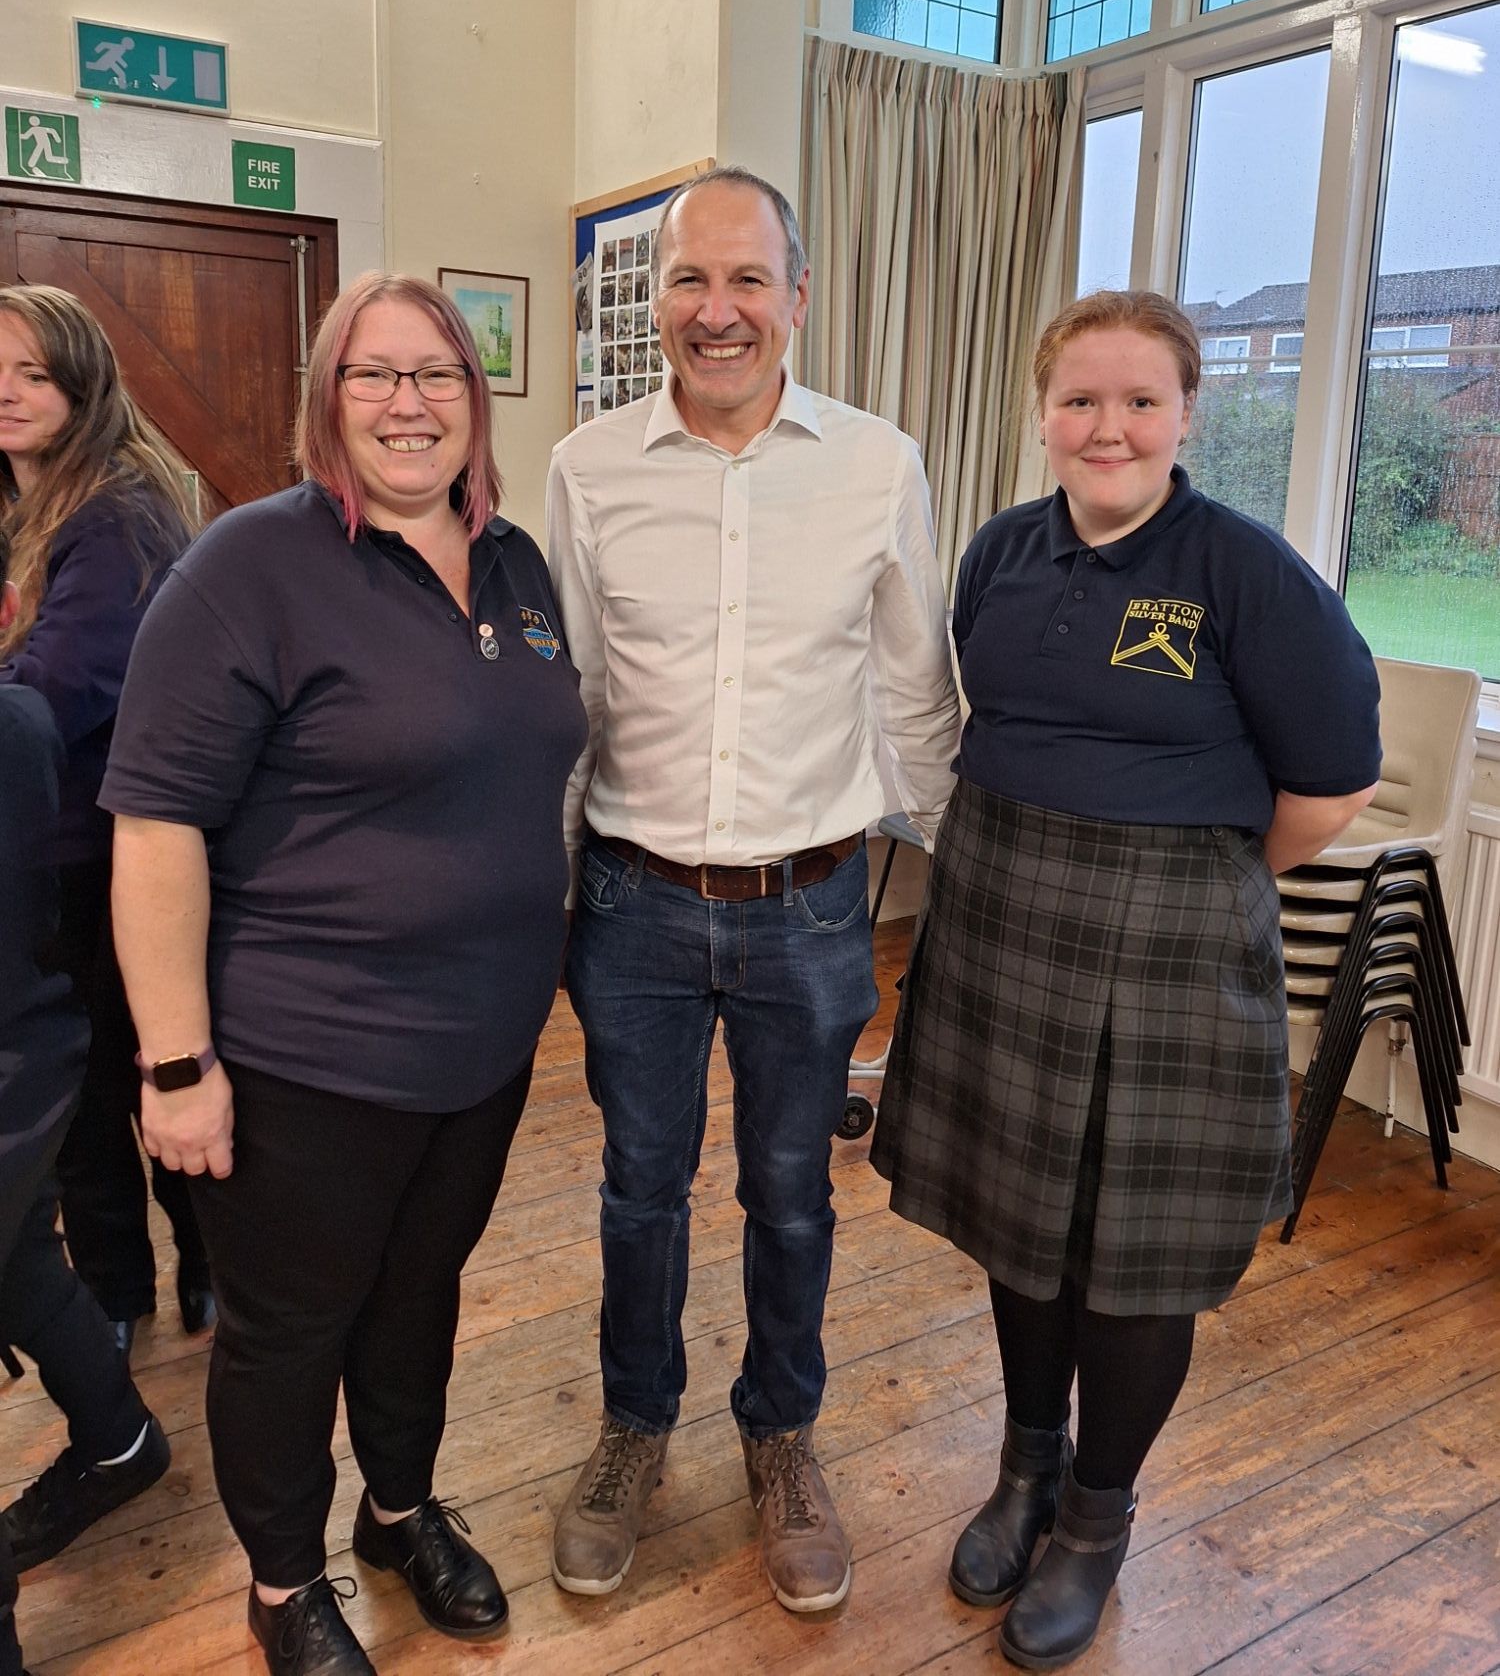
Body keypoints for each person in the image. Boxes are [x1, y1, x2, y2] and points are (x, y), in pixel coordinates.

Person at [871, 289, 1382, 1670]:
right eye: (1082, 400)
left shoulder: (1247, 571)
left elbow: (1332, 785)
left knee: (1136, 1253)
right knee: (1021, 1222)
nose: (1110, 427)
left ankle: (1095, 1518)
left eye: (1140, 400)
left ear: (1186, 414)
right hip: (1003, 919)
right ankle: (1027, 1469)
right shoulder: (1000, 552)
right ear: (1043, 415)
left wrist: (1198, 878)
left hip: (1171, 944)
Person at [99, 274, 588, 1676]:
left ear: (474, 400)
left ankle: (398, 1511)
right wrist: (177, 1065)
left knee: (419, 1293)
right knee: (288, 1330)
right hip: (306, 1056)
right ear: (328, 401)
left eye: (436, 375)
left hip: (484, 1048)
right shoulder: (251, 566)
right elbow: (156, 827)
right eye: (373, 375)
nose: (406, 403)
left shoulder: (515, 564)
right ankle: (281, 1581)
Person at [546, 167, 960, 1614]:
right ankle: (634, 1424)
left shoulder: (878, 465)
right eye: (689, 280)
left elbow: (913, 689)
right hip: (634, 903)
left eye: (746, 280)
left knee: (791, 1193)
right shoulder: (588, 468)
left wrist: (961, 879)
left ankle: (781, 1433)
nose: (716, 311)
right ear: (654, 300)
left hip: (813, 906)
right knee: (639, 1188)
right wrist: (540, 889)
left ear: (797, 298)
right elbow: (573, 695)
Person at [0, 286, 210, 1353]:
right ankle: (121, 1294)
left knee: (137, 1080)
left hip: (108, 851)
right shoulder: (20, 502)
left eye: (32, 372)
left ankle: (196, 1277)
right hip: (42, 849)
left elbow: (53, 690)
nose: (6, 391)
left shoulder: (118, 512)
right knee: (82, 1106)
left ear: (81, 386)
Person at [0, 523, 169, 1676]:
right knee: (21, 1261)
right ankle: (118, 1434)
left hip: (17, 1063)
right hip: (38, 1047)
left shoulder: (17, 728)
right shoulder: (23, 722)